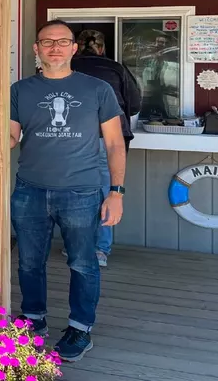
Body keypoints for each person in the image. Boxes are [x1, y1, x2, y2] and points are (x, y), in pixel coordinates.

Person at [10, 20, 126, 363]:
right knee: (29, 263)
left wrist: (116, 192)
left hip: (82, 191)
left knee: (83, 264)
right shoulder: (20, 90)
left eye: (63, 42)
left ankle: (80, 328)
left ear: (74, 48)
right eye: (48, 42)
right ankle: (32, 320)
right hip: (29, 189)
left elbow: (115, 143)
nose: (55, 48)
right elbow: (11, 137)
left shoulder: (97, 89)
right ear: (36, 49)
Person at [72, 29, 141, 267]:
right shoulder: (116, 68)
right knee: (105, 191)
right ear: (101, 48)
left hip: (74, 138)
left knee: (72, 192)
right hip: (109, 138)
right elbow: (134, 104)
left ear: (75, 47)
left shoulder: (66, 67)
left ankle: (78, 246)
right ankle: (100, 250)